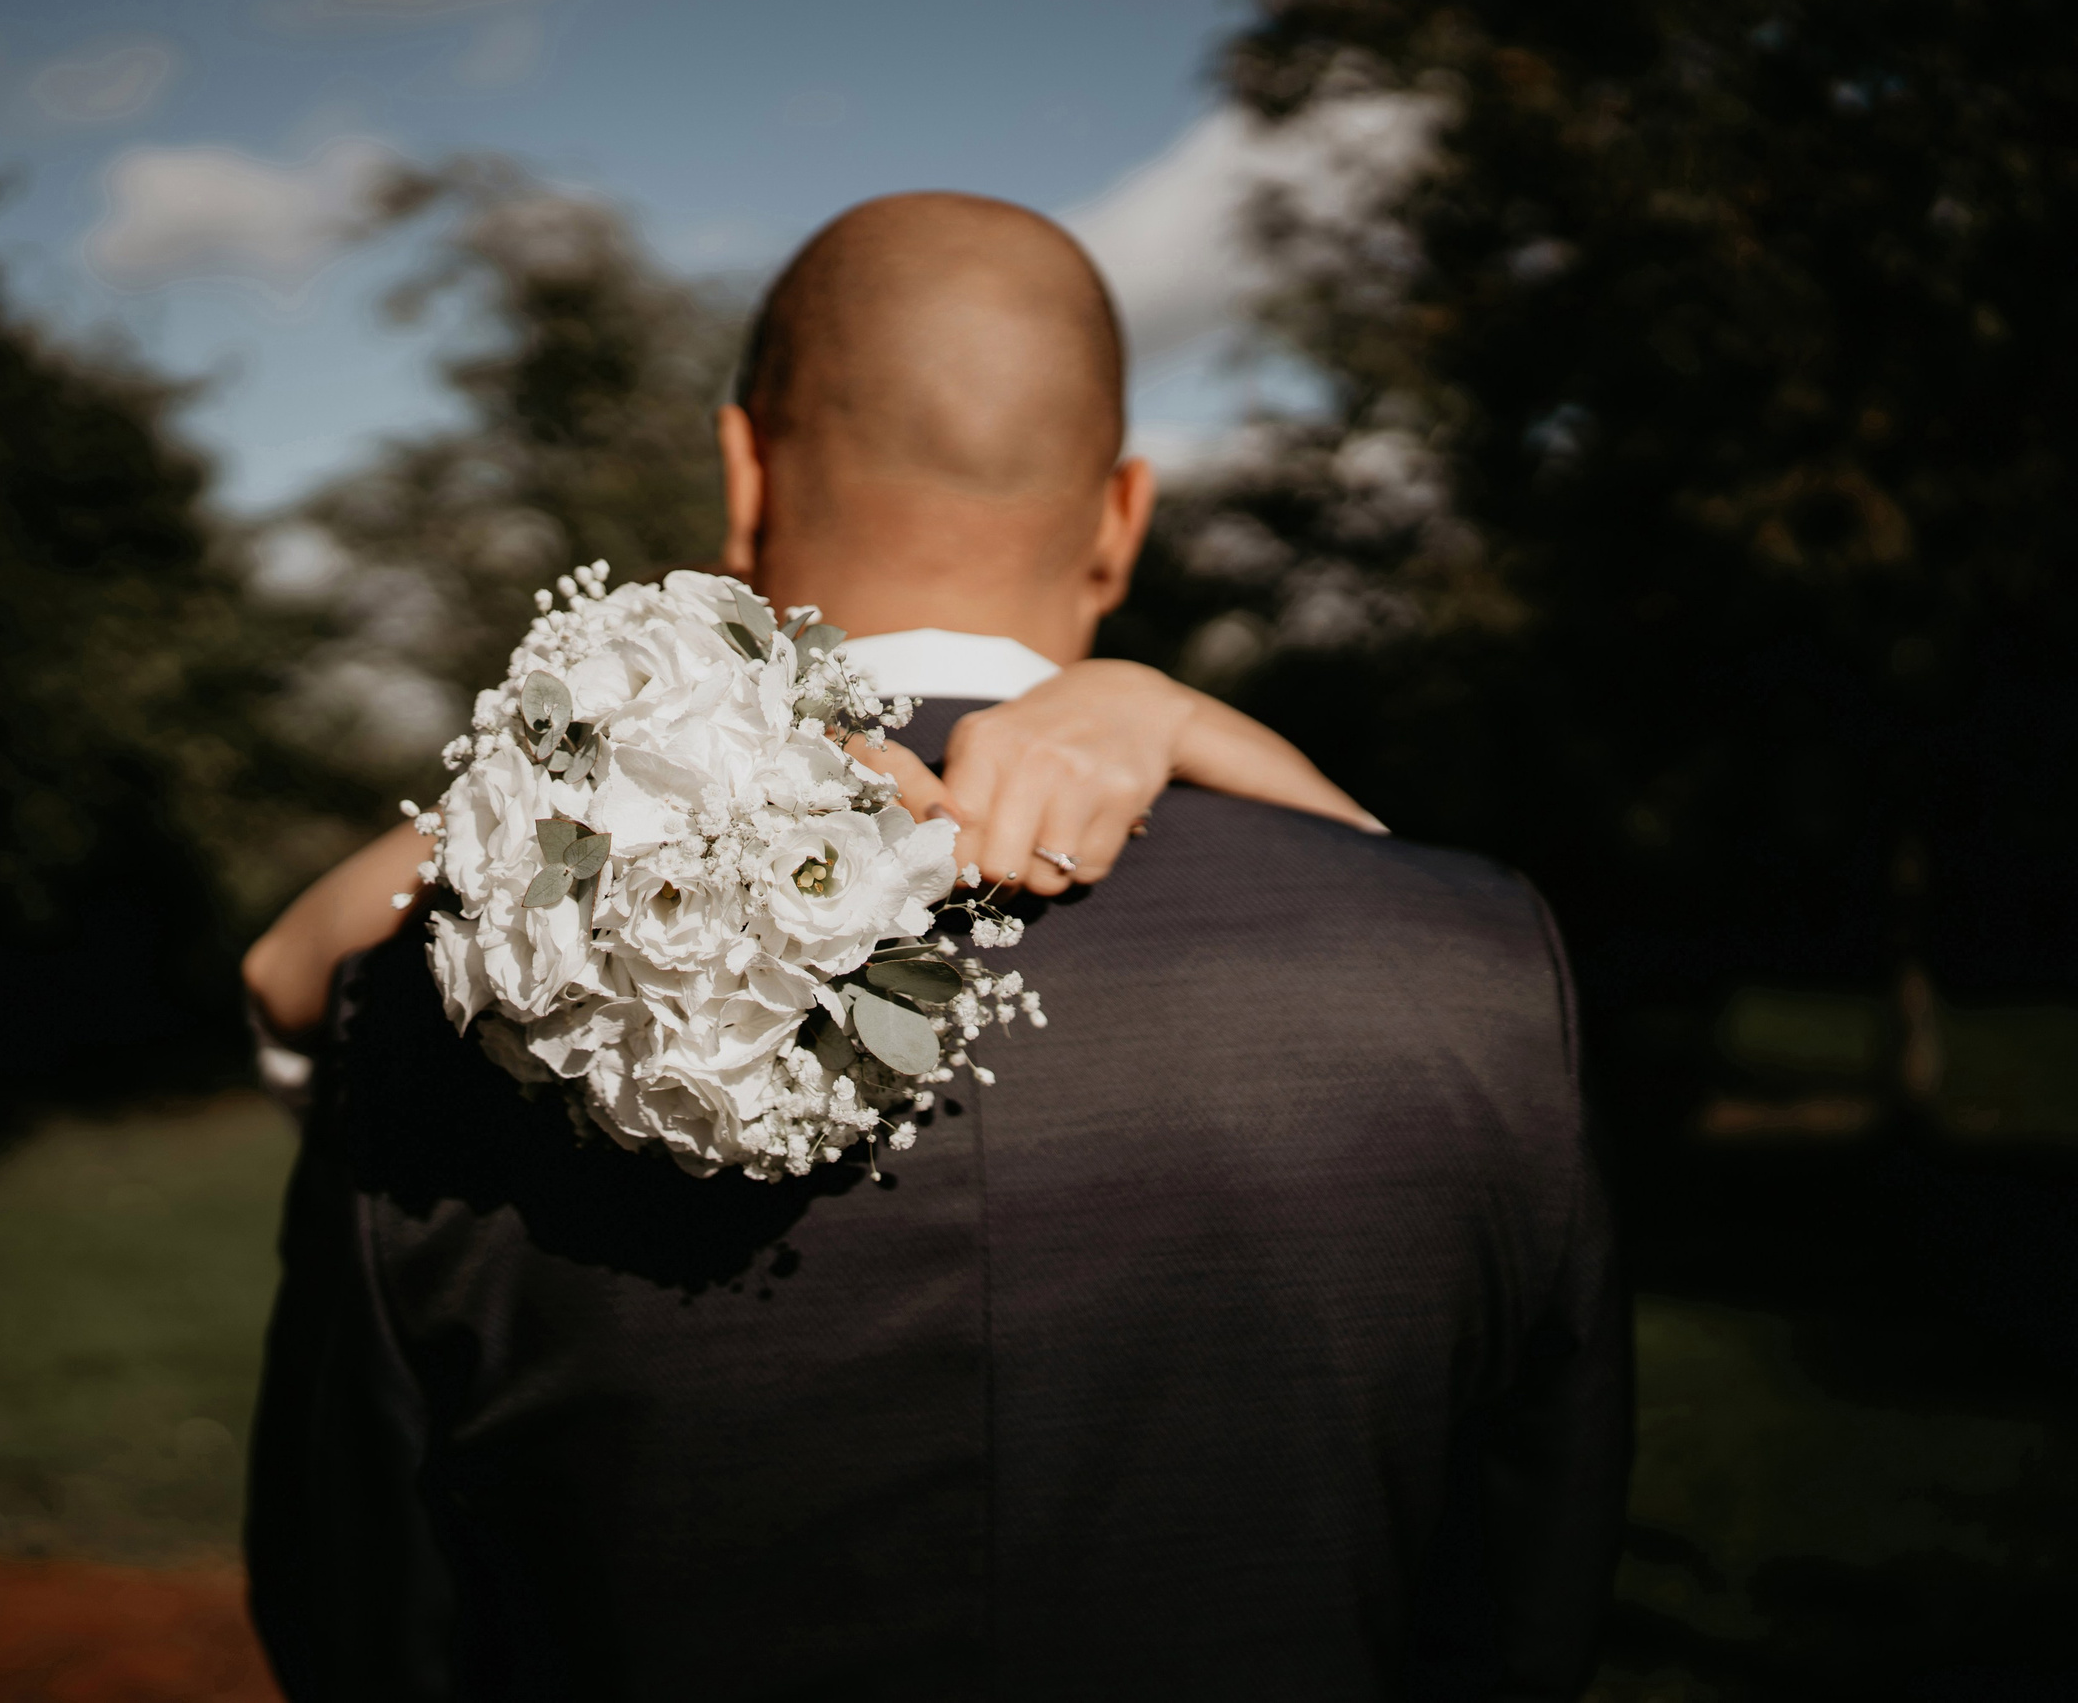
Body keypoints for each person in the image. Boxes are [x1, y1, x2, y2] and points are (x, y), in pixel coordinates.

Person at [244, 192, 1628, 1701]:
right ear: (1123, 516)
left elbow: (359, 1621)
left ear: (742, 465)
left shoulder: (459, 998)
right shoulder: (1480, 966)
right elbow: (1530, 1582)